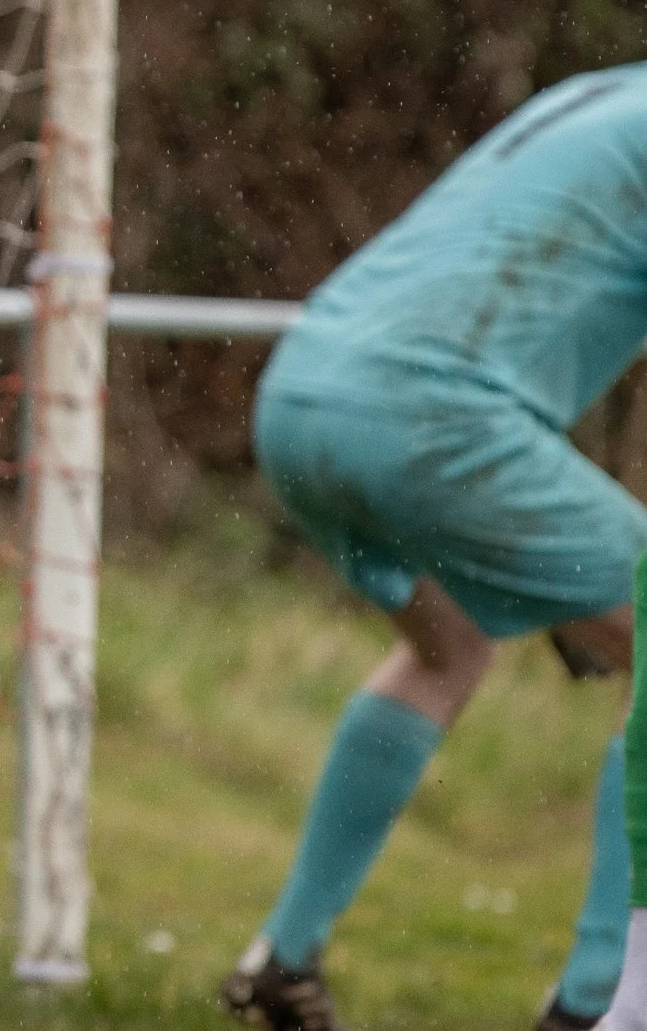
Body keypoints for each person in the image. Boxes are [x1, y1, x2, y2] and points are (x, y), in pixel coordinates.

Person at [220, 65, 647, 1031]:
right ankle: (600, 1006)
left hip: (305, 389)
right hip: (430, 418)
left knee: (445, 649)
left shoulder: (606, 94)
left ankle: (280, 965)